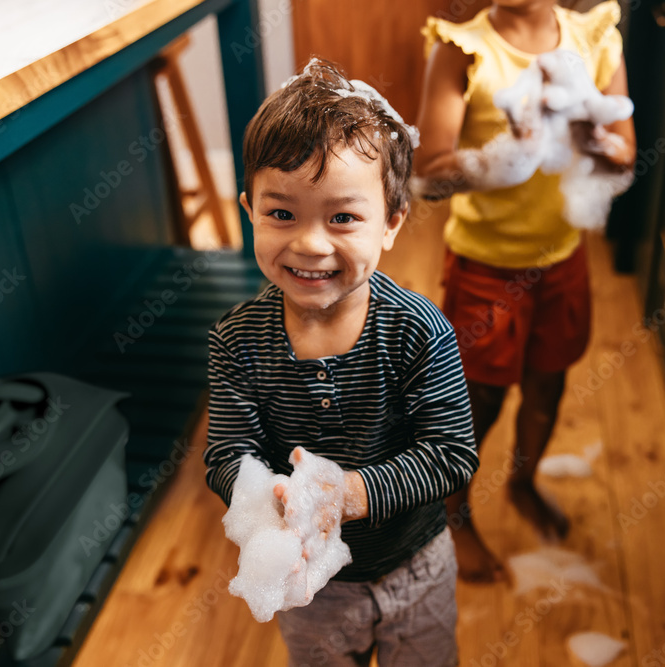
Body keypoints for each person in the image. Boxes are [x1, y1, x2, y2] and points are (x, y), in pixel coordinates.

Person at [203, 59, 479, 667]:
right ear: (249, 209)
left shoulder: (417, 330)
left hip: (415, 568)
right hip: (312, 586)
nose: (310, 243)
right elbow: (226, 452)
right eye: (282, 214)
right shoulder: (237, 341)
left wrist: (352, 492)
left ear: (392, 223)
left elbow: (453, 455)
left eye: (343, 217)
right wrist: (261, 495)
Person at [413, 0, 637, 582]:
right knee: (476, 402)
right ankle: (449, 511)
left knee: (547, 384)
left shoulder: (594, 40)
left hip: (561, 259)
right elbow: (429, 172)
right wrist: (503, 156)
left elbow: (625, 153)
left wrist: (592, 140)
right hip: (486, 268)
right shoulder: (462, 51)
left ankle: (522, 482)